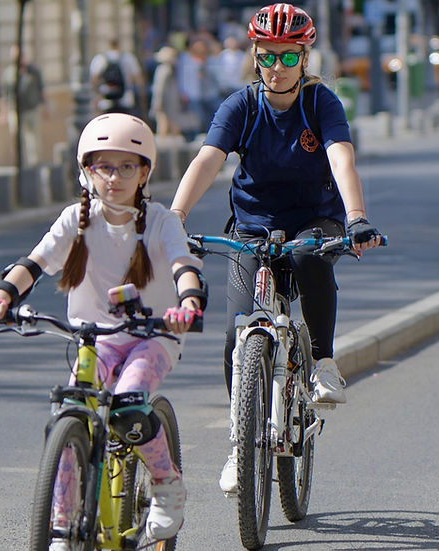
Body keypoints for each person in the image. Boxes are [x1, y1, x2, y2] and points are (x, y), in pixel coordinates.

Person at [168, 3, 382, 494]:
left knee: (309, 257)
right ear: (254, 55)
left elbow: (341, 160)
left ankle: (324, 363)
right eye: (268, 56)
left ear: (305, 57)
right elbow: (207, 160)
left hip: (314, 219)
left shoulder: (320, 103)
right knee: (233, 337)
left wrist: (355, 220)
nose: (278, 67)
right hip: (252, 224)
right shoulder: (240, 105)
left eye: (289, 57)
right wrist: (175, 217)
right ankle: (238, 447)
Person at [0, 113, 204, 545]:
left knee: (130, 402)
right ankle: (62, 526)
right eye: (103, 166)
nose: (114, 177)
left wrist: (189, 302)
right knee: (67, 416)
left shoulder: (160, 221)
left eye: (126, 166)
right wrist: (3, 296)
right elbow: (33, 264)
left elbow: (183, 266)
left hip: (152, 336)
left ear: (144, 172)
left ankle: (166, 485)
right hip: (91, 339)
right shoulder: (75, 220)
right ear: (86, 172)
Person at [0, 45, 48, 167]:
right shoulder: (9, 73)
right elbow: (6, 95)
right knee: (16, 137)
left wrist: (46, 106)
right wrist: (3, 113)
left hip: (31, 108)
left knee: (33, 138)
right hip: (15, 110)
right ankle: (20, 162)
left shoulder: (34, 71)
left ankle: (33, 163)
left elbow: (41, 90)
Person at [176, 33, 221, 141]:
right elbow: (181, 77)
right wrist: (182, 92)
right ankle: (193, 136)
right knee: (195, 117)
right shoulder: (184, 59)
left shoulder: (203, 60)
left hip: (202, 94)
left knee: (204, 116)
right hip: (190, 93)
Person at [90, 36, 145, 116]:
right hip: (125, 101)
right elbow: (138, 79)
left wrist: (97, 96)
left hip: (105, 102)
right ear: (119, 44)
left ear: (108, 45)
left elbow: (94, 80)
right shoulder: (128, 58)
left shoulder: (100, 59)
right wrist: (142, 98)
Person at [149, 46, 184, 139]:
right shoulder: (171, 69)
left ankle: (162, 148)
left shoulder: (162, 69)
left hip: (164, 102)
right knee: (172, 123)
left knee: (162, 125)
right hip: (172, 101)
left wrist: (157, 103)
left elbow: (159, 88)